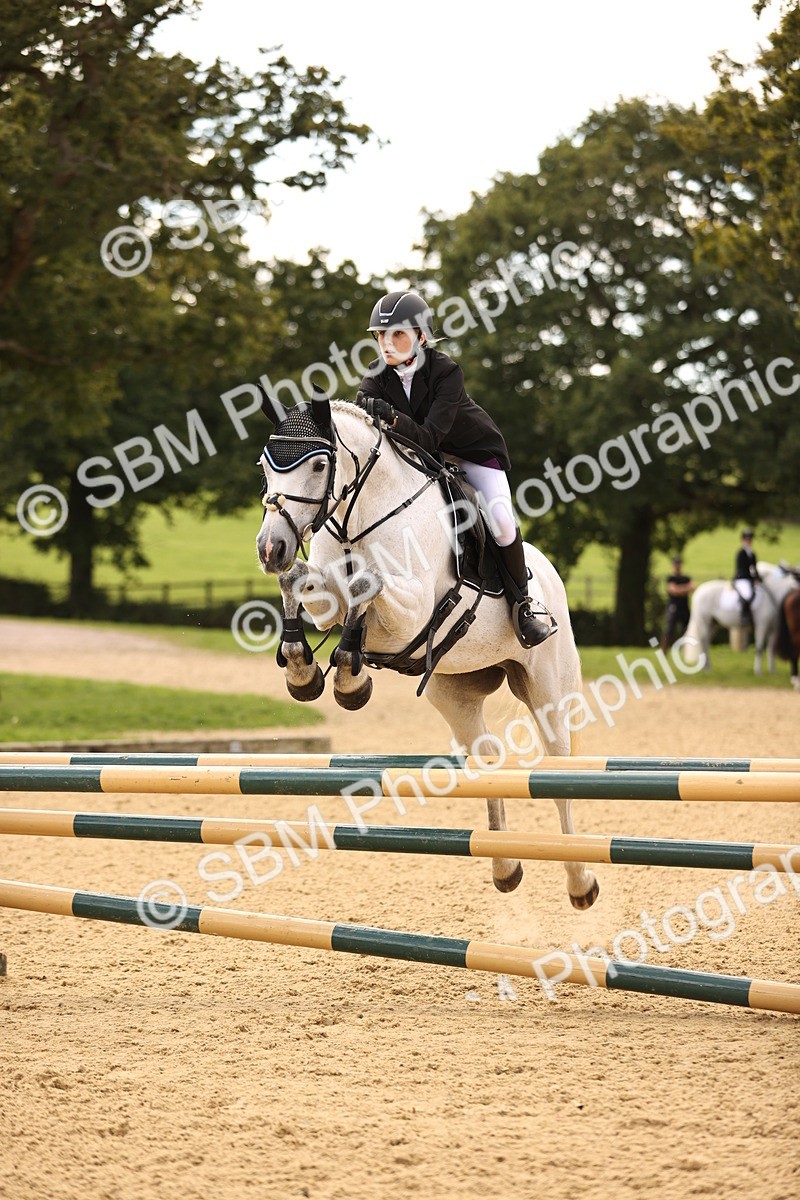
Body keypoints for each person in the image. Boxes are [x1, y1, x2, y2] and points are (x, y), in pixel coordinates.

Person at [354, 290, 552, 648]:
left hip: (473, 453)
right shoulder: (375, 376)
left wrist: (393, 418)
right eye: (381, 335)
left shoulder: (446, 372)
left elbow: (430, 436)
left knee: (501, 521)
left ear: (421, 337)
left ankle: (524, 604)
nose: (387, 342)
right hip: (425, 459)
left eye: (398, 333)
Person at [661, 555, 695, 650]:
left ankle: (685, 648)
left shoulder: (685, 578)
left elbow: (693, 587)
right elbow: (673, 590)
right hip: (674, 607)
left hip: (684, 607)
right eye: (676, 563)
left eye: (679, 563)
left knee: (687, 629)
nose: (678, 565)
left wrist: (680, 589)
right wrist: (685, 589)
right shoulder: (671, 578)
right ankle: (664, 648)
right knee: (669, 629)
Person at [733, 528, 759, 624]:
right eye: (747, 539)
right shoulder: (741, 553)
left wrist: (758, 578)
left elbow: (754, 567)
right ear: (743, 540)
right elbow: (742, 569)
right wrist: (752, 577)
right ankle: (745, 615)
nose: (748, 541)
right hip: (742, 578)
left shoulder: (752, 553)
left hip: (750, 579)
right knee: (747, 594)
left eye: (750, 539)